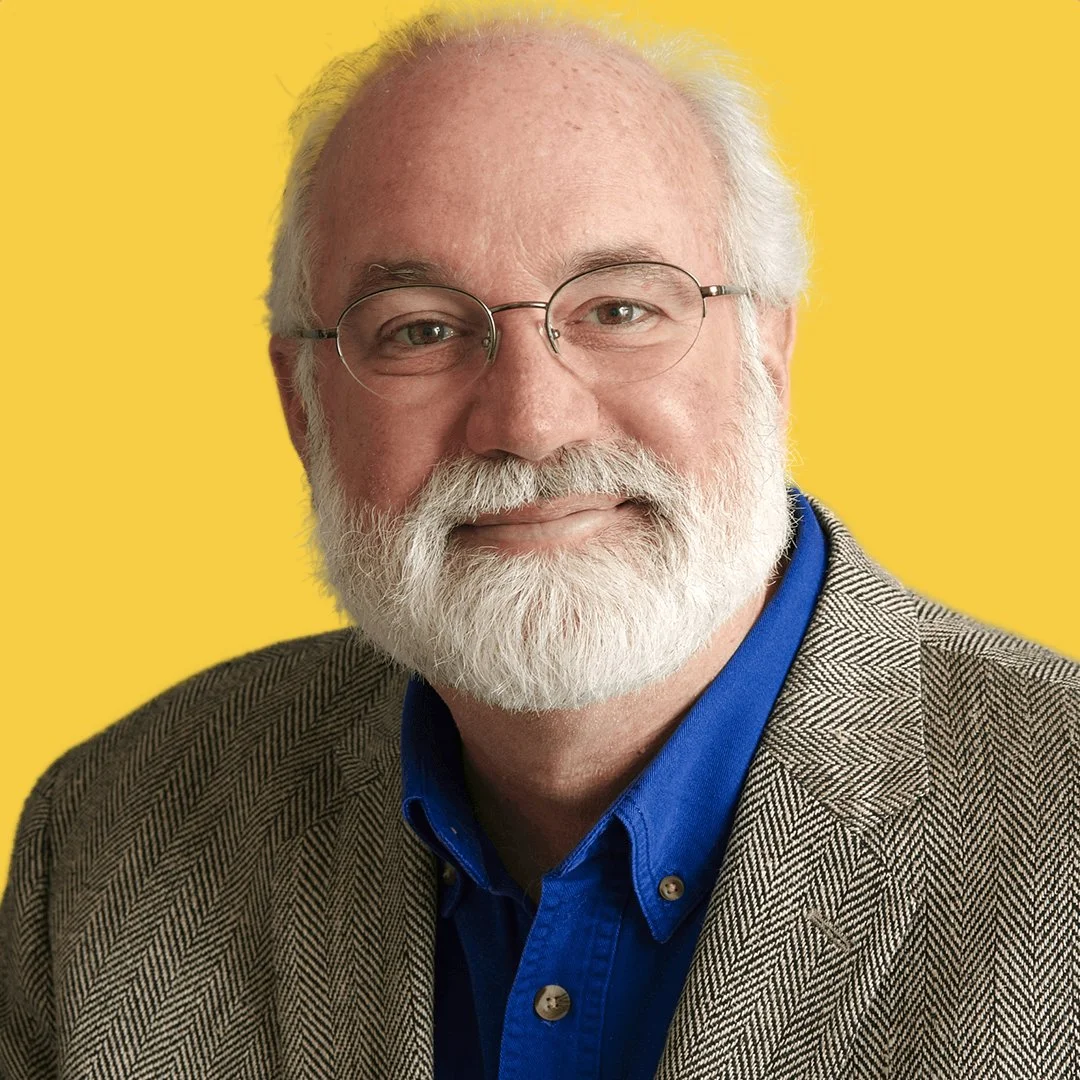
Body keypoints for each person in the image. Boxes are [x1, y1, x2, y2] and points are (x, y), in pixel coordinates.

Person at [1, 8, 1077, 1079]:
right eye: (420, 329)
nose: (530, 423)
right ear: (303, 405)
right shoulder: (111, 839)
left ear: (770, 344)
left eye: (618, 310)